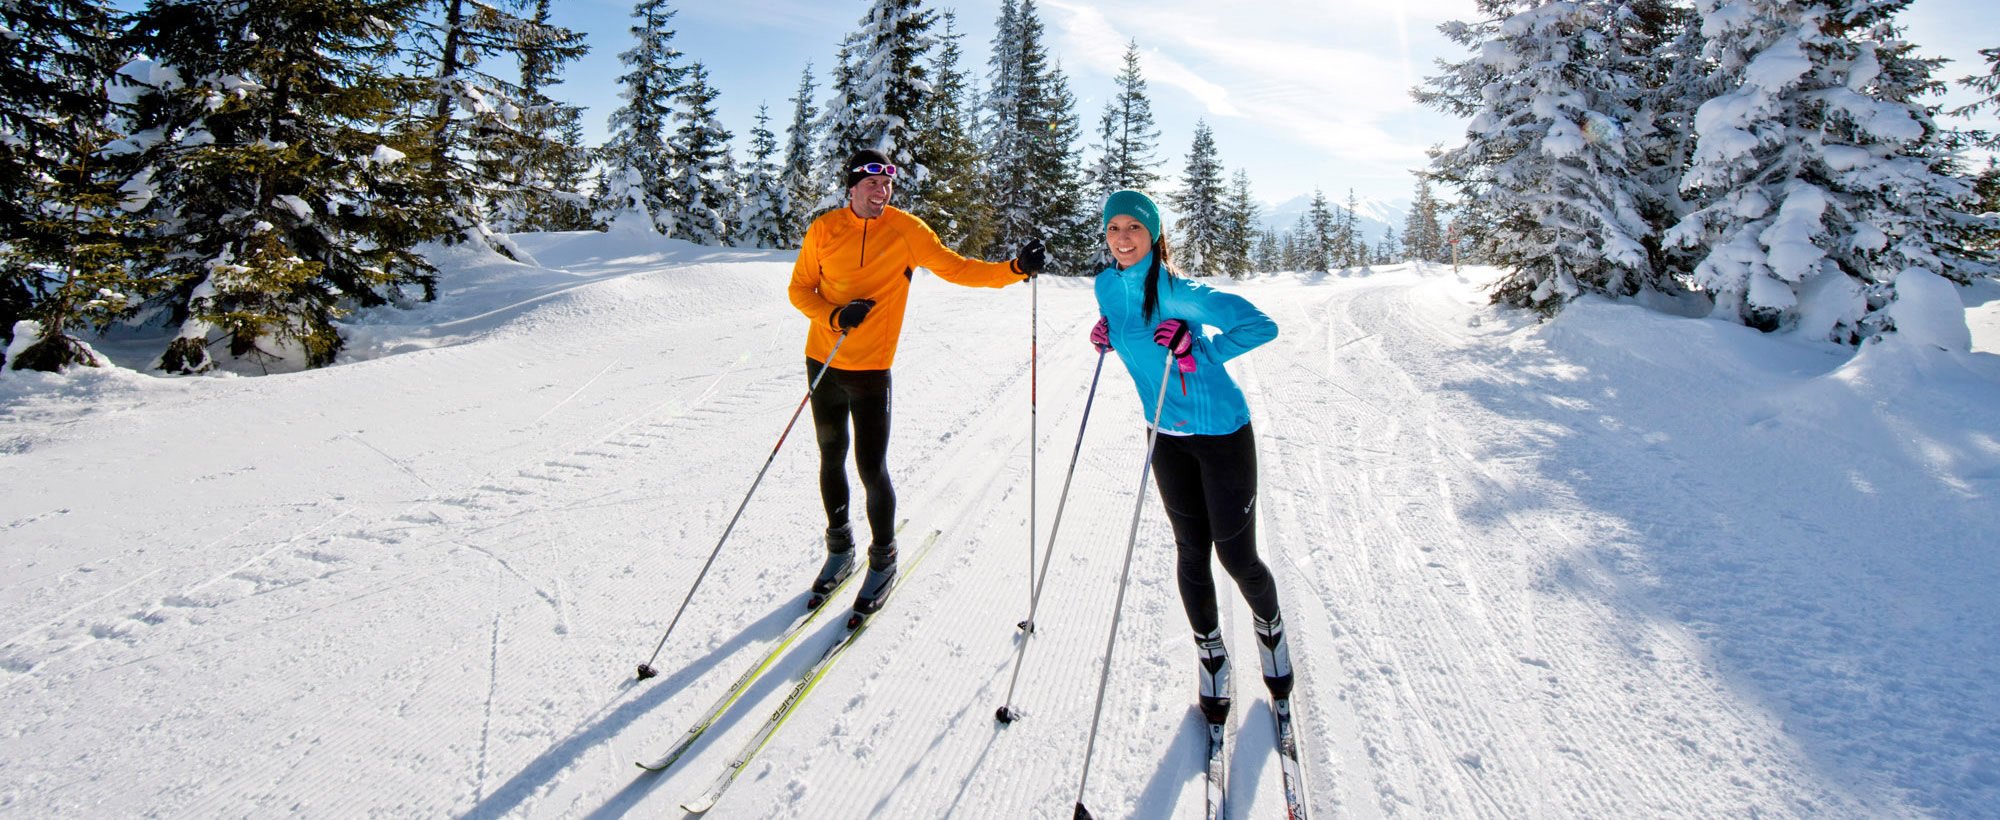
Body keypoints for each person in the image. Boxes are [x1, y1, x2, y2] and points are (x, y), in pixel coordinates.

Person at [788, 149, 1045, 616]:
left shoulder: (907, 231)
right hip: (822, 362)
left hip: (871, 370)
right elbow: (799, 288)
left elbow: (957, 267)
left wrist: (1014, 269)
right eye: (872, 184)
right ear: (851, 186)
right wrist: (833, 315)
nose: (881, 192)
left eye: (887, 185)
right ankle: (840, 548)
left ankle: (883, 559)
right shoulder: (824, 229)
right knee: (830, 457)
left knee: (871, 468)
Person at [1089, 189, 1290, 721]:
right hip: (1163, 435)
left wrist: (1196, 347)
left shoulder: (1181, 292)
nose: (1123, 238)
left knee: (1237, 557)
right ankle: (1212, 656)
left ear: (1154, 234)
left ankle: (1270, 631)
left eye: (1134, 227)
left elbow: (1260, 326)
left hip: (1221, 433)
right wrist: (1109, 335)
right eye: (1114, 228)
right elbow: (1133, 338)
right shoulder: (1106, 285)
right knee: (1190, 551)